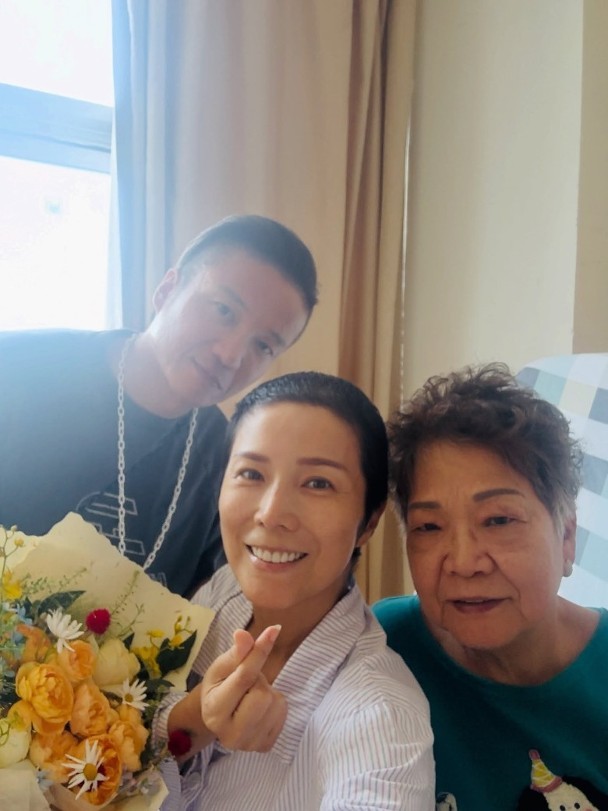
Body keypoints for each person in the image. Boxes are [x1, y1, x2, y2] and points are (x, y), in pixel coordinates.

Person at [155, 371, 435, 810]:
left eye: (318, 483)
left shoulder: (379, 719)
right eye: (251, 473)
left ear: (369, 522)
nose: (272, 513)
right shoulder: (222, 596)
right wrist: (192, 718)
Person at [0, 215, 317, 596]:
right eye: (223, 311)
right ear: (167, 290)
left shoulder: (231, 457)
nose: (231, 355)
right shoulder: (16, 369)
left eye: (263, 345)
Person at [373, 363, 608, 811]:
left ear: (566, 537)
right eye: (428, 526)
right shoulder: (383, 649)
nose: (464, 563)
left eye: (499, 520)